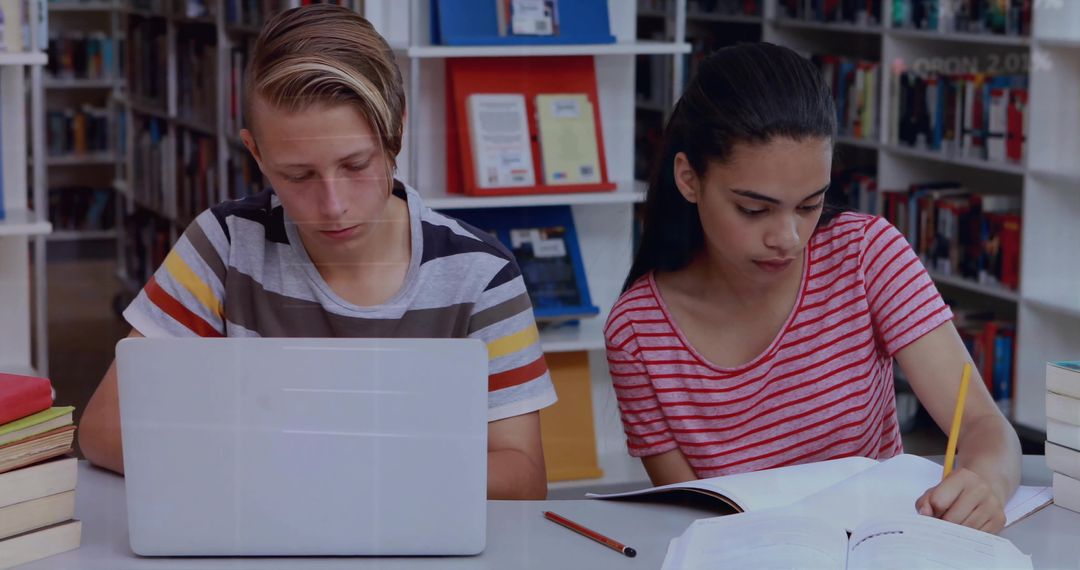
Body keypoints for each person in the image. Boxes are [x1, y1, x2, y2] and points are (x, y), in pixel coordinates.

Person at [78, 5, 556, 500]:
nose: (332, 206)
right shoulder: (225, 244)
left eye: (355, 164)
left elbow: (522, 478)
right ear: (256, 154)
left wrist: (309, 464)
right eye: (298, 175)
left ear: (396, 130)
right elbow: (105, 430)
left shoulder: (481, 273)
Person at [604, 43, 1021, 532]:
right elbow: (693, 521)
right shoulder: (638, 332)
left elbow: (985, 427)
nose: (789, 238)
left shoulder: (865, 254)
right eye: (753, 209)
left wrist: (985, 484)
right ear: (688, 179)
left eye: (810, 205)